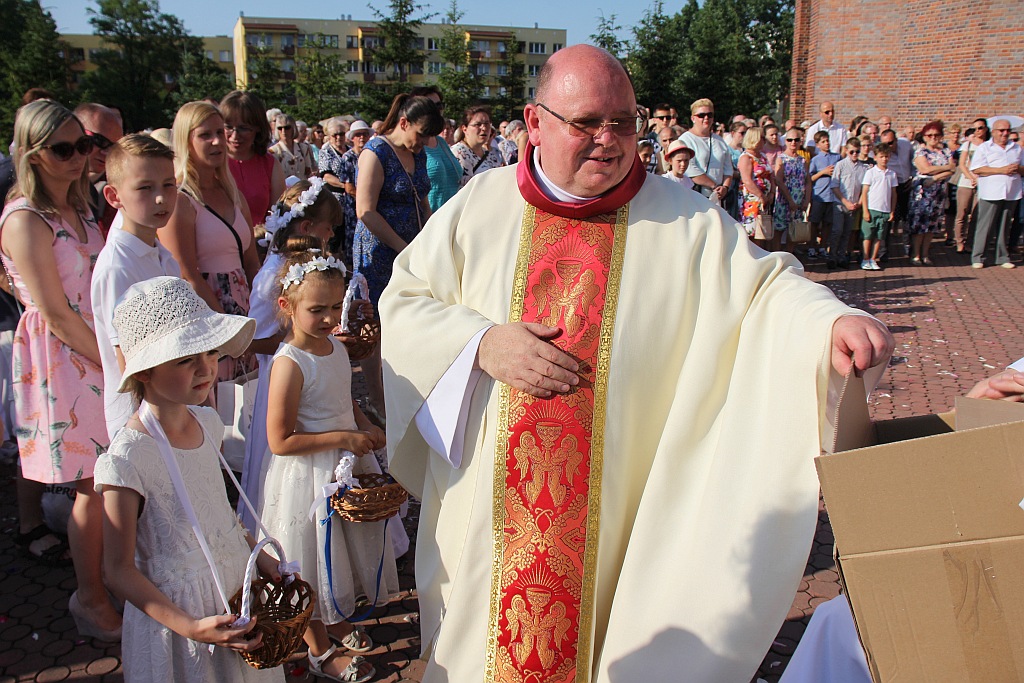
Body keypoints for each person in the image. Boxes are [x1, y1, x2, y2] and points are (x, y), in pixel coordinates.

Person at [378, 45, 893, 683]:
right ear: (534, 123)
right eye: (586, 122)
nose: (609, 139)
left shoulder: (687, 219)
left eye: (624, 122)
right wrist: (480, 342)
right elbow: (404, 303)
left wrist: (829, 322)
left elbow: (767, 292)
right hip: (492, 509)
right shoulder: (478, 208)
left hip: (623, 504)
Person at [96, 276, 284, 682]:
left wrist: (260, 557)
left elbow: (217, 515)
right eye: (185, 359)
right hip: (179, 619)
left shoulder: (207, 421)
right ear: (144, 372)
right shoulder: (127, 459)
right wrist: (189, 627)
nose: (206, 369)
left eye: (211, 353)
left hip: (233, 590)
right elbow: (117, 569)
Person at [0, 99, 121, 639]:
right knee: (91, 486)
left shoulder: (81, 206)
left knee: (111, 479)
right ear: (33, 153)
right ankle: (90, 598)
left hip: (97, 346)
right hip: (65, 357)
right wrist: (116, 364)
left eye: (86, 146)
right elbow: (53, 311)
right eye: (64, 149)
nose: (80, 158)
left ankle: (112, 582)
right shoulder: (25, 218)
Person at [263, 249, 398, 683]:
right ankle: (319, 650)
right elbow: (280, 440)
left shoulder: (335, 348)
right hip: (309, 478)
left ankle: (336, 620)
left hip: (346, 467)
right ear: (287, 307)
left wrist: (365, 425)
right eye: (315, 309)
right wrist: (346, 438)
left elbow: (344, 401)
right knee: (309, 563)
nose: (327, 318)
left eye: (333, 307)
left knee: (339, 558)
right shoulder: (290, 363)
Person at [237, 180, 339, 532]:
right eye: (329, 229)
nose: (331, 236)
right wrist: (299, 341)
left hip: (308, 376)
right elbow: (254, 340)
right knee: (276, 463)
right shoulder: (273, 278)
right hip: (282, 378)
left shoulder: (305, 267)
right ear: (308, 227)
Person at [354, 94, 442, 421]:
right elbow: (365, 211)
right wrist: (403, 247)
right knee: (375, 325)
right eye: (420, 134)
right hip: (379, 252)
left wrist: (433, 235)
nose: (423, 144)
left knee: (408, 319)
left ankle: (403, 391)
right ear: (403, 123)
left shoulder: (415, 152)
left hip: (410, 249)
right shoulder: (375, 153)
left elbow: (422, 199)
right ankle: (376, 399)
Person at [92, 135, 182, 442]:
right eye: (145, 188)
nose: (161, 198)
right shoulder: (119, 267)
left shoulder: (162, 255)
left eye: (169, 184)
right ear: (114, 196)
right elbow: (128, 362)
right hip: (140, 419)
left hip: (169, 407)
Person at [160, 101, 259, 381]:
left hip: (245, 310)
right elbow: (186, 273)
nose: (218, 141)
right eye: (205, 135)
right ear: (186, 140)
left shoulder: (232, 192)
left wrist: (263, 308)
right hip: (206, 312)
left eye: (220, 131)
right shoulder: (180, 200)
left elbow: (251, 261)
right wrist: (224, 326)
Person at [221, 91, 286, 229]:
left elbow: (277, 217)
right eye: (228, 127)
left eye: (243, 128)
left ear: (258, 127)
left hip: (260, 244)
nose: (235, 136)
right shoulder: (212, 164)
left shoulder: (269, 164)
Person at [969, 119, 1023, 269]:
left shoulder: (1016, 148)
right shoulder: (985, 148)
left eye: (1007, 130)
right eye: (1001, 130)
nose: (1005, 133)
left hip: (1012, 192)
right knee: (985, 225)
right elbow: (977, 168)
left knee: (1005, 225)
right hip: (991, 192)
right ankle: (978, 256)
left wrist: (1017, 168)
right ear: (993, 131)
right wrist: (1000, 170)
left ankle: (1002, 256)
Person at [907, 121, 955, 265]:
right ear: (924, 136)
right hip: (922, 193)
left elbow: (953, 169)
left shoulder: (945, 151)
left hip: (938, 192)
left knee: (932, 225)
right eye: (929, 135)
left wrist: (935, 177)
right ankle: (915, 254)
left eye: (936, 135)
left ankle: (925, 254)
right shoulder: (920, 151)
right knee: (920, 224)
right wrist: (945, 168)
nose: (933, 138)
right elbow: (925, 169)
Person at [409, 86, 462, 212]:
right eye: (430, 106)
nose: (436, 111)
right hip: (428, 221)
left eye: (439, 106)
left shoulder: (442, 142)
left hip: (450, 218)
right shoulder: (414, 146)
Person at [74, 103, 124, 236]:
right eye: (100, 141)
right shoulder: (18, 177)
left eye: (114, 147)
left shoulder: (92, 190)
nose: (106, 152)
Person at [680, 98, 734, 203]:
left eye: (710, 115)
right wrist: (714, 186)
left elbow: (728, 169)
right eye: (701, 115)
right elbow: (690, 169)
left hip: (717, 197)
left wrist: (725, 187)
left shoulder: (719, 140)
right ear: (693, 118)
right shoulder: (685, 140)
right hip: (695, 195)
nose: (706, 118)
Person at [830, 137, 868, 269]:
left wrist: (858, 202)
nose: (854, 154)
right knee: (837, 230)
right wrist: (844, 201)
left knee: (847, 232)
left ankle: (842, 256)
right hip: (840, 203)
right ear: (846, 151)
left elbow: (864, 187)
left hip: (854, 204)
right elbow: (834, 186)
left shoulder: (863, 168)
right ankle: (832, 256)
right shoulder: (840, 165)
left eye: (857, 151)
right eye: (852, 151)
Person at [861, 143, 898, 270]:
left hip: (885, 209)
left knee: (879, 236)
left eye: (886, 156)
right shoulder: (870, 173)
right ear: (875, 157)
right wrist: (865, 210)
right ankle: (865, 258)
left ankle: (873, 258)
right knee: (867, 235)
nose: (884, 159)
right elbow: (865, 192)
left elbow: (893, 194)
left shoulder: (892, 174)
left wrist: (892, 211)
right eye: (881, 156)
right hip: (872, 208)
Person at [774, 127, 812, 252]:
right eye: (790, 140)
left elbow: (807, 181)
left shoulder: (803, 160)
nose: (793, 143)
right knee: (779, 231)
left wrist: (806, 200)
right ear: (785, 141)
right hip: (784, 200)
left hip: (799, 200)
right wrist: (790, 200)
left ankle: (790, 257)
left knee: (794, 232)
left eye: (796, 140)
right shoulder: (781, 159)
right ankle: (777, 257)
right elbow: (779, 180)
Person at [738, 127, 775, 248]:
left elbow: (771, 175)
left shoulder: (763, 156)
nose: (764, 140)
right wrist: (761, 196)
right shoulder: (746, 157)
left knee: (763, 230)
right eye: (762, 138)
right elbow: (747, 180)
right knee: (753, 231)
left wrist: (771, 193)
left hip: (765, 198)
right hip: (752, 200)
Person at [807, 130, 841, 260]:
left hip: (832, 196)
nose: (827, 143)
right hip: (818, 195)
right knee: (814, 222)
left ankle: (822, 246)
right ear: (817, 144)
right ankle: (811, 246)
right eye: (823, 141)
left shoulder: (836, 157)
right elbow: (810, 178)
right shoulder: (815, 160)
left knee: (828, 223)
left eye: (827, 141)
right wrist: (823, 172)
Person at [452, 105, 505, 187]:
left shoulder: (491, 154)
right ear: (464, 128)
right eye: (478, 124)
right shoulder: (458, 153)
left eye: (487, 124)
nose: (484, 128)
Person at [270, 113, 315, 179]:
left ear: (293, 128)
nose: (283, 131)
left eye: (287, 127)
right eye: (280, 128)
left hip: (303, 186)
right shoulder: (273, 151)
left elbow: (308, 172)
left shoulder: (304, 148)